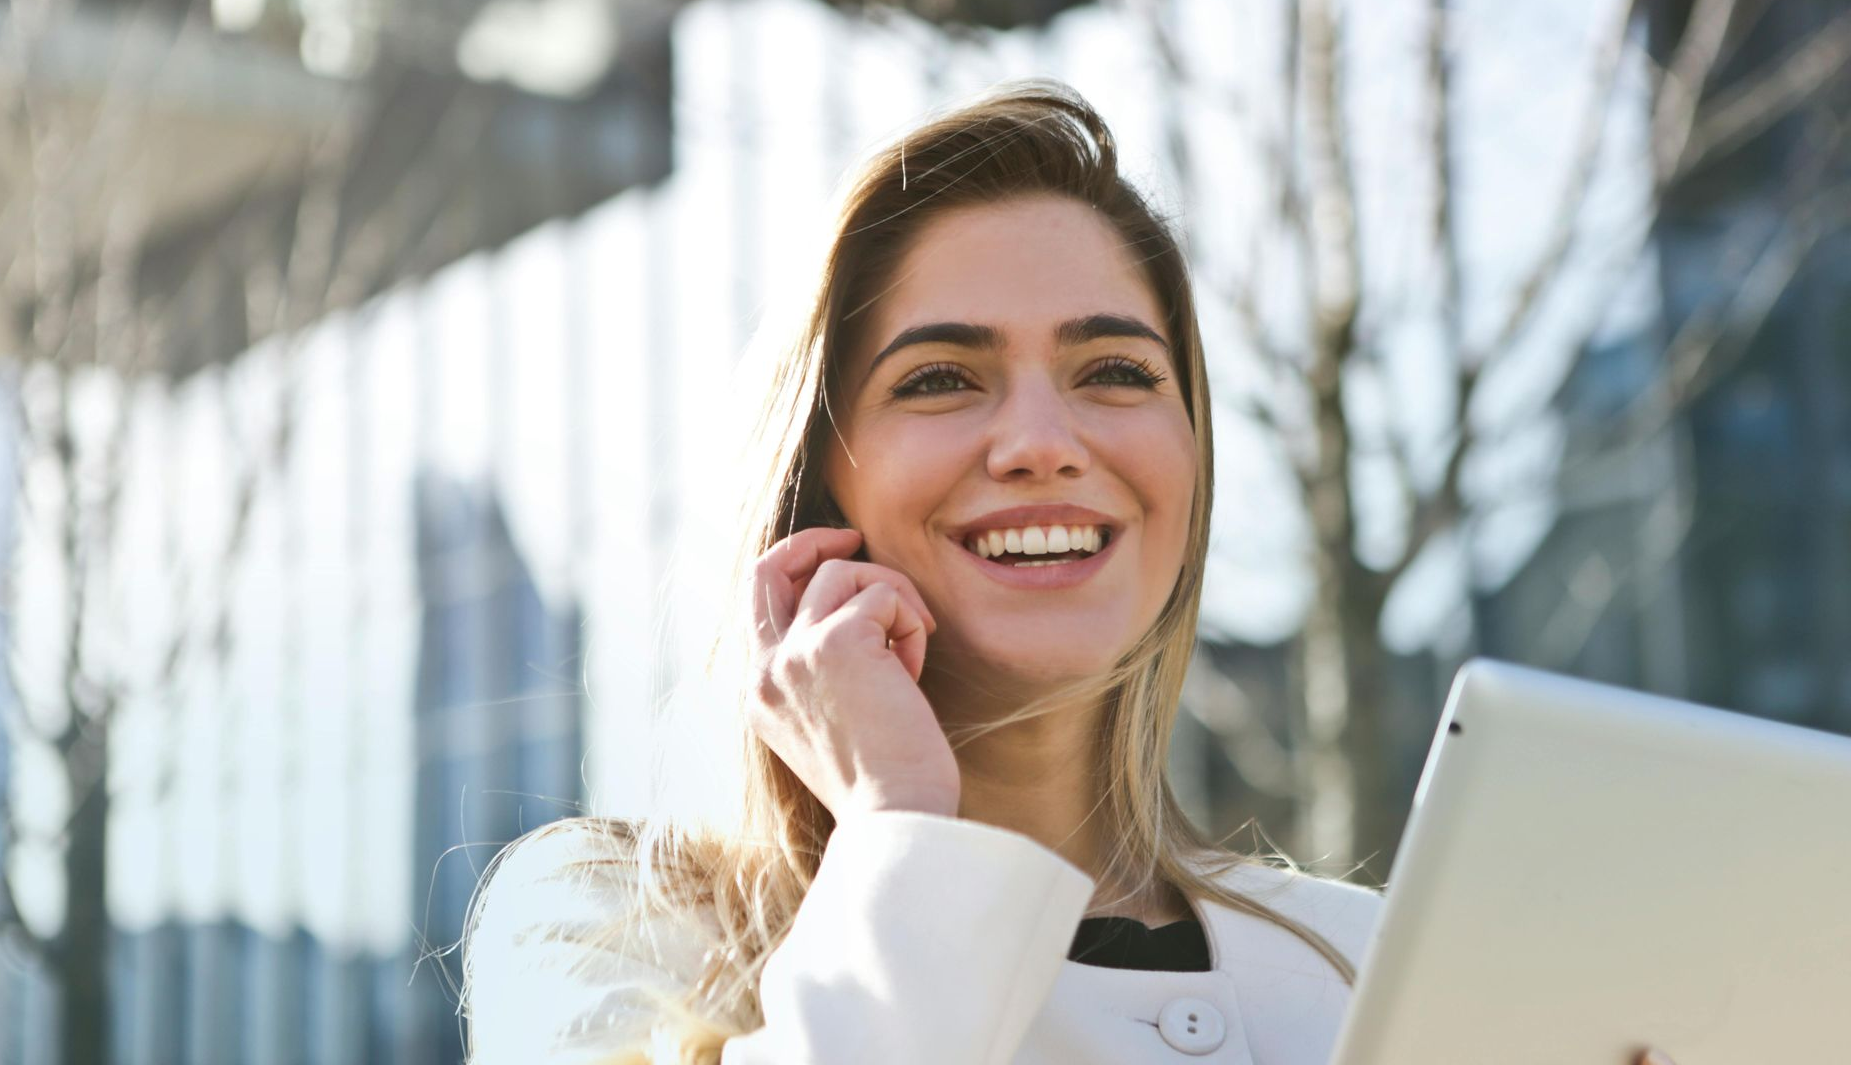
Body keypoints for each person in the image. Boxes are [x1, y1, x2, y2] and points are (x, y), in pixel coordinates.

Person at [460, 80, 1676, 1065]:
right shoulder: (612, 929)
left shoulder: (1367, 966)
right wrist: (897, 828)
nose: (1045, 441)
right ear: (821, 483)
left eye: (1116, 373)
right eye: (941, 378)